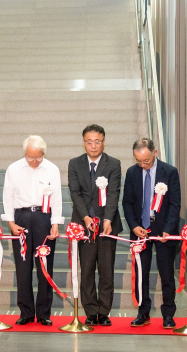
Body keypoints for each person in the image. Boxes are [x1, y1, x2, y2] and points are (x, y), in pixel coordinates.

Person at [1, 136, 64, 326]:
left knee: (44, 267)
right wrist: (11, 222)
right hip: (21, 218)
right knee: (23, 267)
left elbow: (57, 198)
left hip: (44, 218)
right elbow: (8, 197)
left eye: (38, 157)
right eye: (30, 157)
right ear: (25, 154)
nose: (34, 161)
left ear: (43, 154)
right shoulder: (14, 169)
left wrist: (55, 223)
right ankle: (26, 312)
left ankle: (44, 312)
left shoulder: (52, 169)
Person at [123, 138, 181, 329]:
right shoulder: (132, 173)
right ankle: (143, 312)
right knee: (141, 273)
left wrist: (169, 229)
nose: (143, 165)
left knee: (166, 274)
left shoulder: (170, 172)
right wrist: (133, 226)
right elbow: (127, 203)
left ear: (155, 153)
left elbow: (174, 204)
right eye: (139, 161)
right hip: (141, 229)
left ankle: (168, 314)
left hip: (163, 229)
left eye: (146, 161)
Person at [68, 124, 122, 326]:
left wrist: (107, 219)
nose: (93, 146)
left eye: (97, 141)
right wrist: (85, 218)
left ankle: (104, 311)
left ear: (104, 142)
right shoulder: (75, 164)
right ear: (83, 142)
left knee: (106, 270)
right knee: (88, 269)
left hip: (107, 226)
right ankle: (91, 311)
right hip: (84, 226)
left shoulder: (114, 164)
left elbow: (114, 193)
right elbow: (75, 193)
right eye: (89, 141)